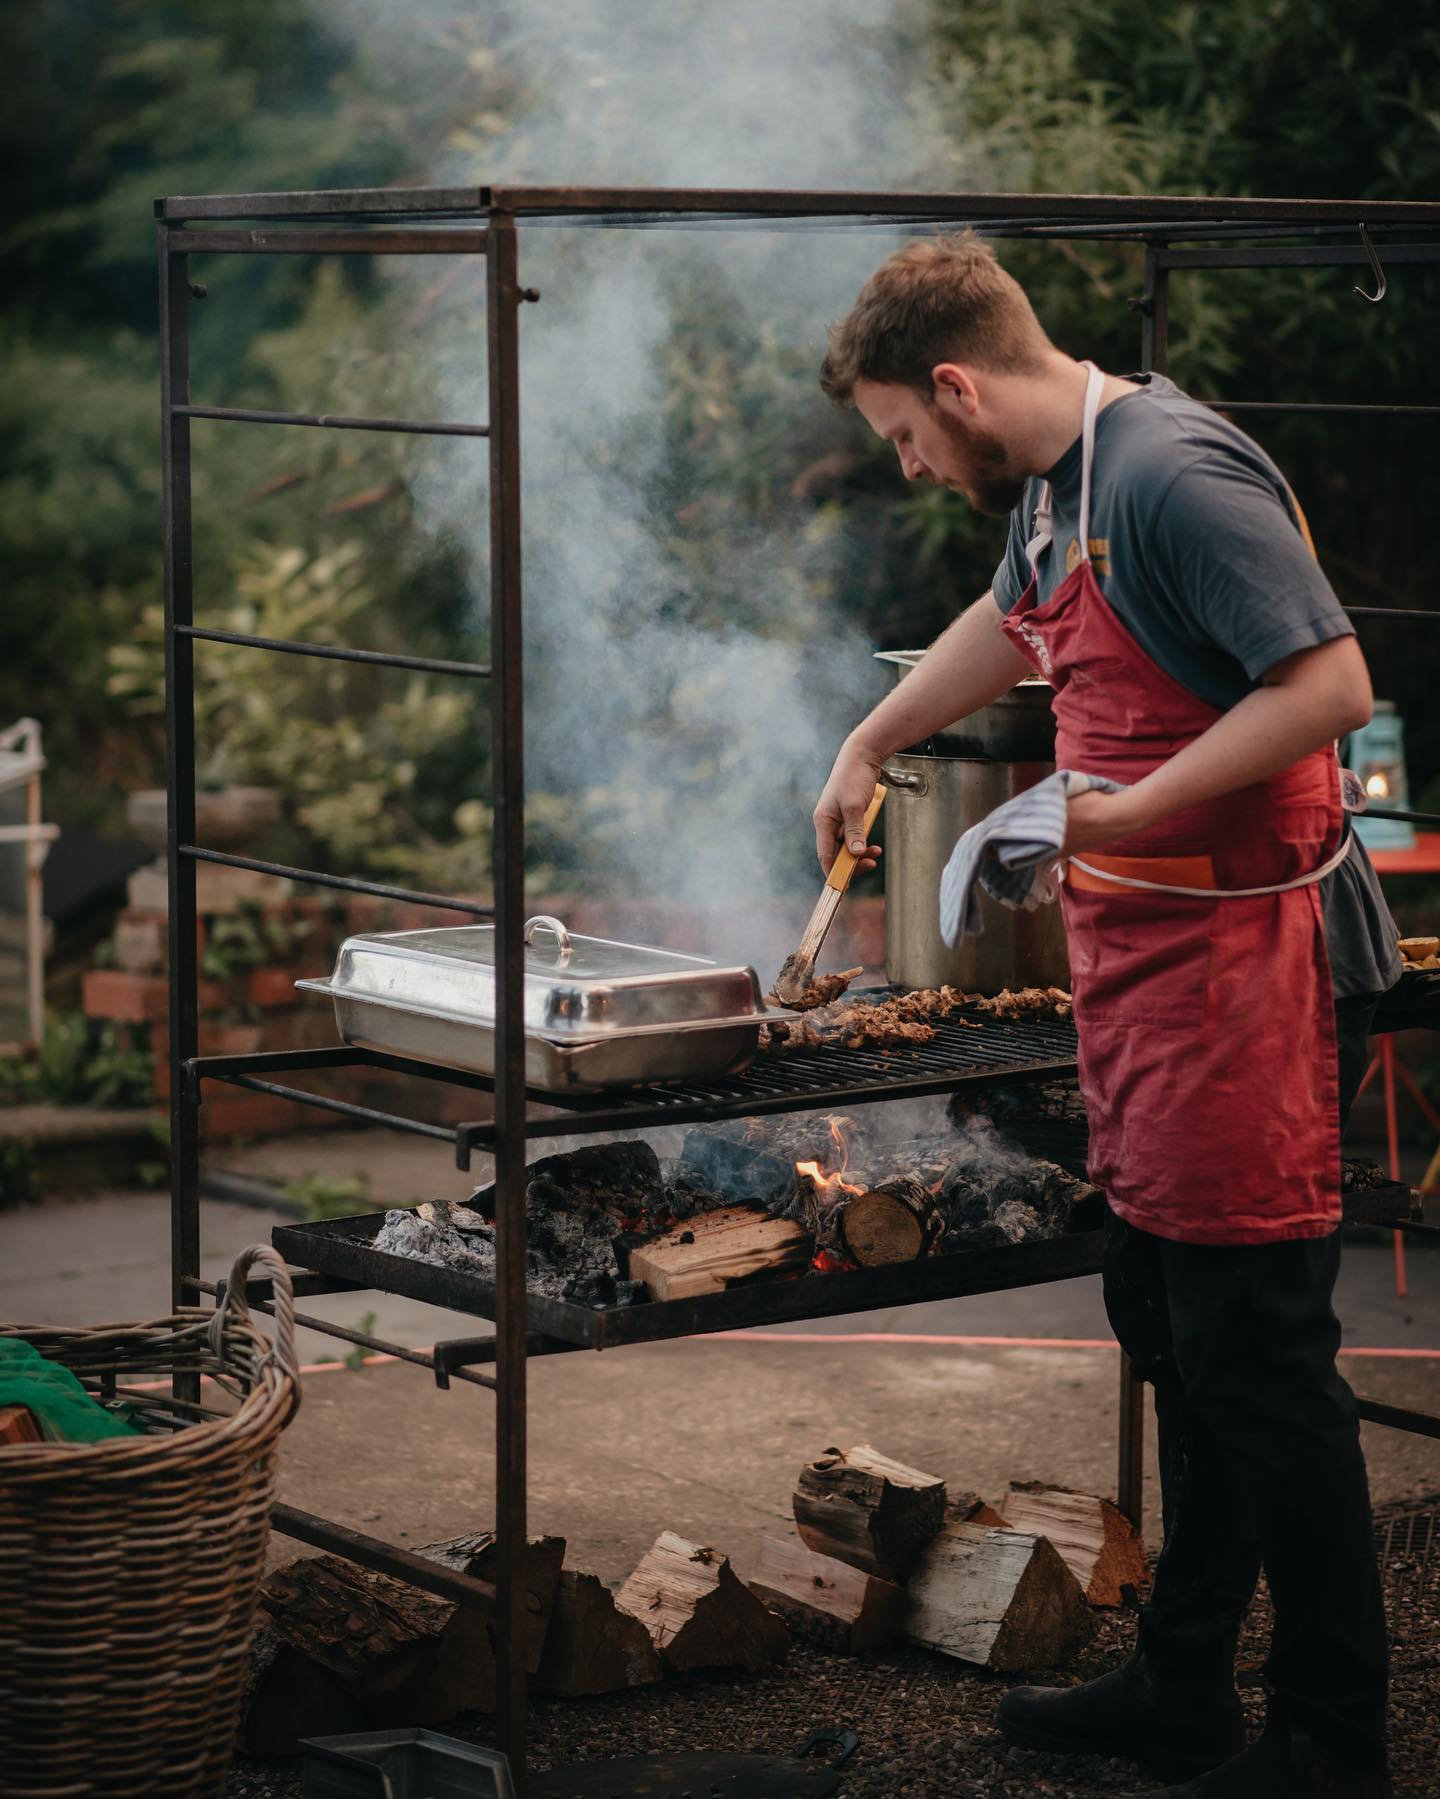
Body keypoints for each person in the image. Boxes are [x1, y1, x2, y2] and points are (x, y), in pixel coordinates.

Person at [814, 233, 1401, 1799]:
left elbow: (1332, 687)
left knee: (1266, 1371)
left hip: (1253, 981)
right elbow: (1012, 623)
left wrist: (1125, 808)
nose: (915, 463)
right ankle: (1186, 1688)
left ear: (955, 384)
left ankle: (1337, 1742)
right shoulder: (1059, 492)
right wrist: (871, 738)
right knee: (1180, 1341)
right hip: (1151, 990)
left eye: (906, 436)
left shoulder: (1169, 472)